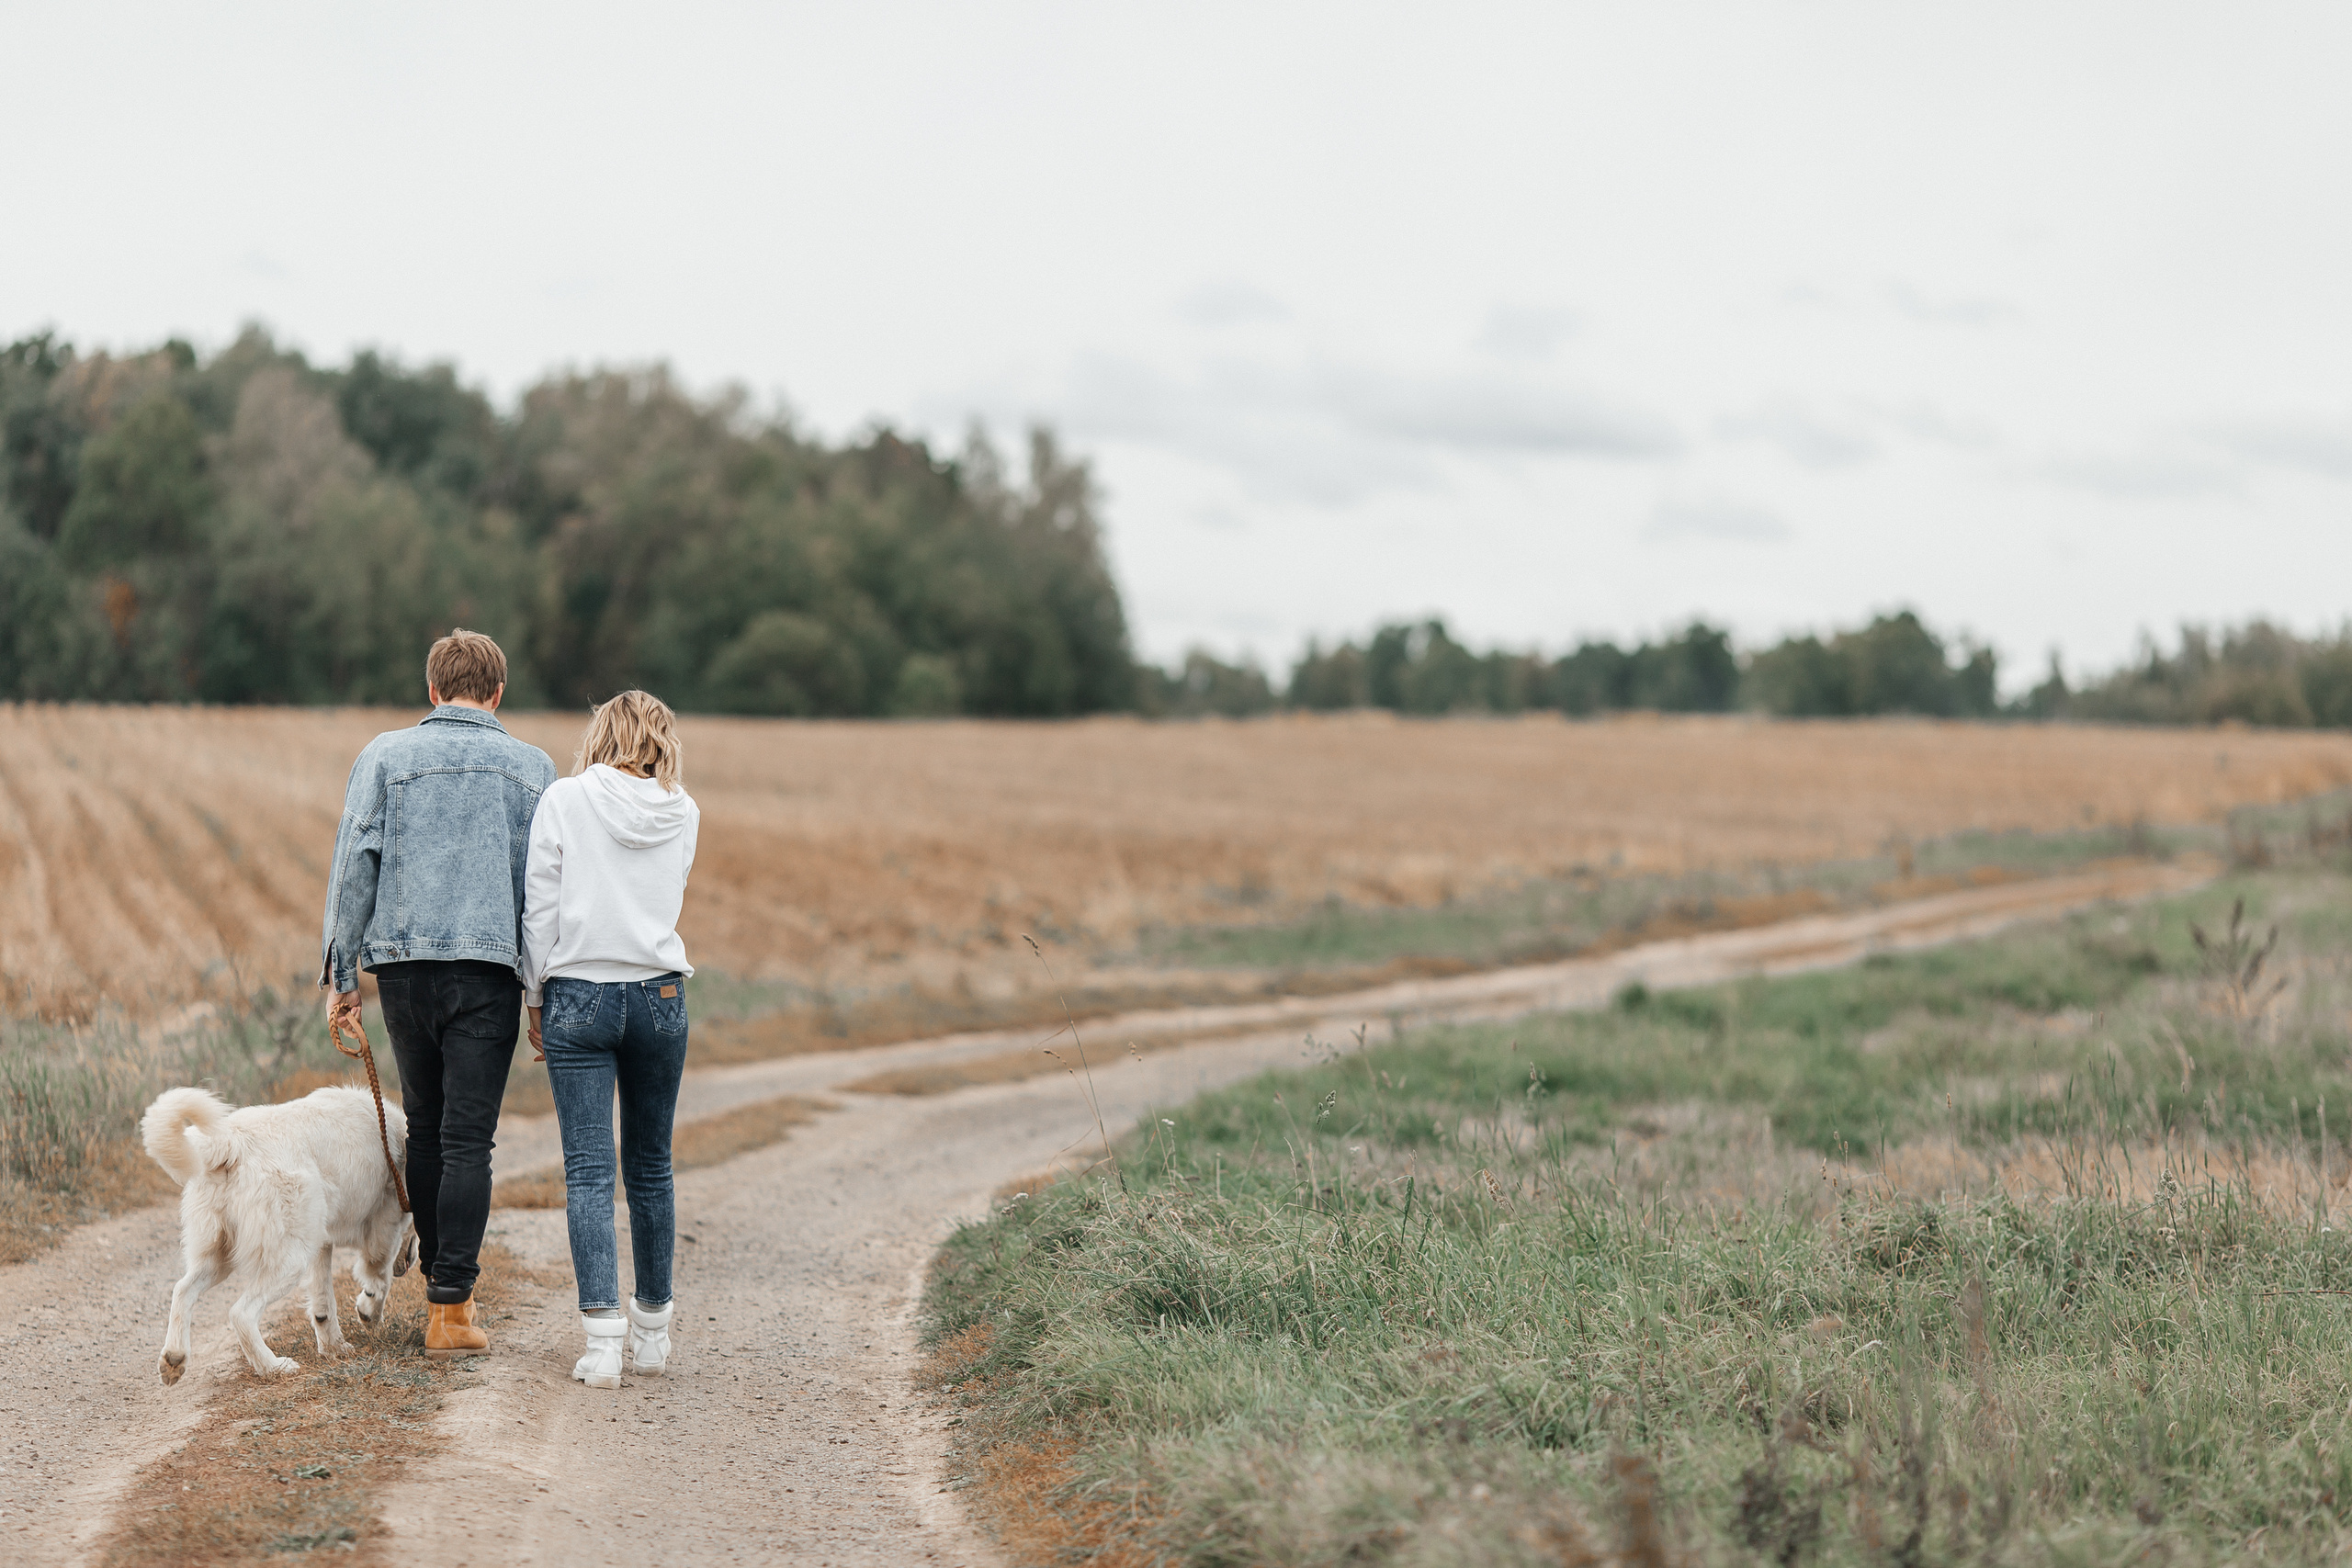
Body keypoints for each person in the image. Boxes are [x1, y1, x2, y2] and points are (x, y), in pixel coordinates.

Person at [321, 628, 557, 1359]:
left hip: (405, 972)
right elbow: (543, 888)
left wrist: (341, 978)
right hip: (488, 974)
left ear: (432, 689)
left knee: (425, 1127)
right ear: (497, 692)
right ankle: (449, 1310)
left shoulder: (385, 756)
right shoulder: (533, 768)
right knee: (468, 1140)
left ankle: (438, 1292)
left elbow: (353, 866)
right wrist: (541, 990)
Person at [519, 690, 699, 1389]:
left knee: (589, 1172)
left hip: (580, 994)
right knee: (650, 1164)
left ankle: (601, 1346)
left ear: (602, 732)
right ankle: (652, 1334)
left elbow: (540, 908)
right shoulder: (684, 811)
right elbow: (668, 892)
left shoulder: (564, 800)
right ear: (660, 736)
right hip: (659, 993)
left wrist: (534, 995)